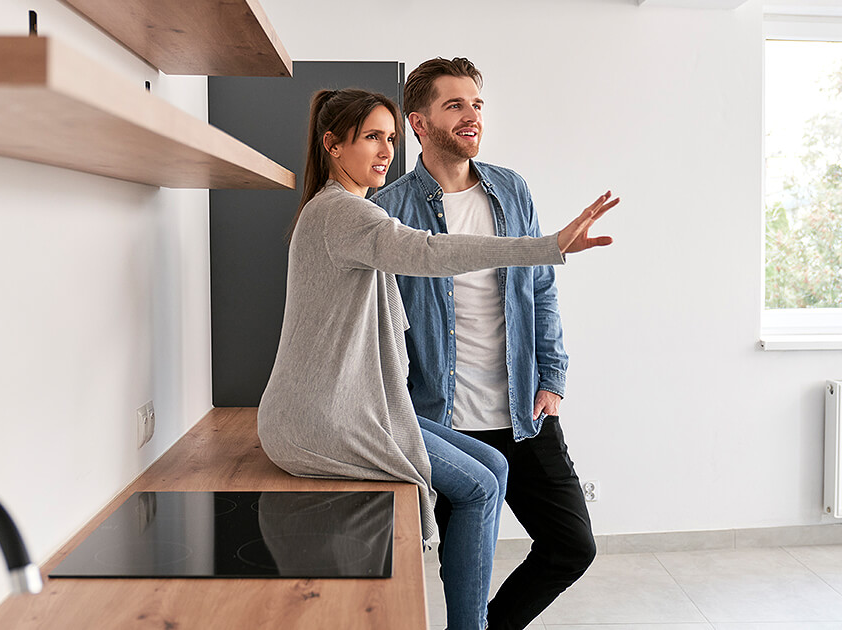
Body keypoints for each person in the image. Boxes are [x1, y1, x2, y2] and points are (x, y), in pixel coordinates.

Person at [257, 88, 616, 630]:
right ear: (332, 146)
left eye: (390, 138)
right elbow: (428, 252)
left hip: (348, 406)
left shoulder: (346, 210)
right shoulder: (344, 213)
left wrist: (550, 373)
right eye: (373, 137)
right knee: (478, 485)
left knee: (494, 468)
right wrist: (547, 245)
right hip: (324, 418)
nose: (385, 150)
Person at [372, 57, 609, 629]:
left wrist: (551, 377)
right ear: (419, 124)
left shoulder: (510, 189)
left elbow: (541, 287)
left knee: (572, 546)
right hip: (444, 419)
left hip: (523, 410)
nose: (471, 116)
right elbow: (376, 328)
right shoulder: (389, 211)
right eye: (454, 105)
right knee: (463, 579)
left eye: (476, 104)